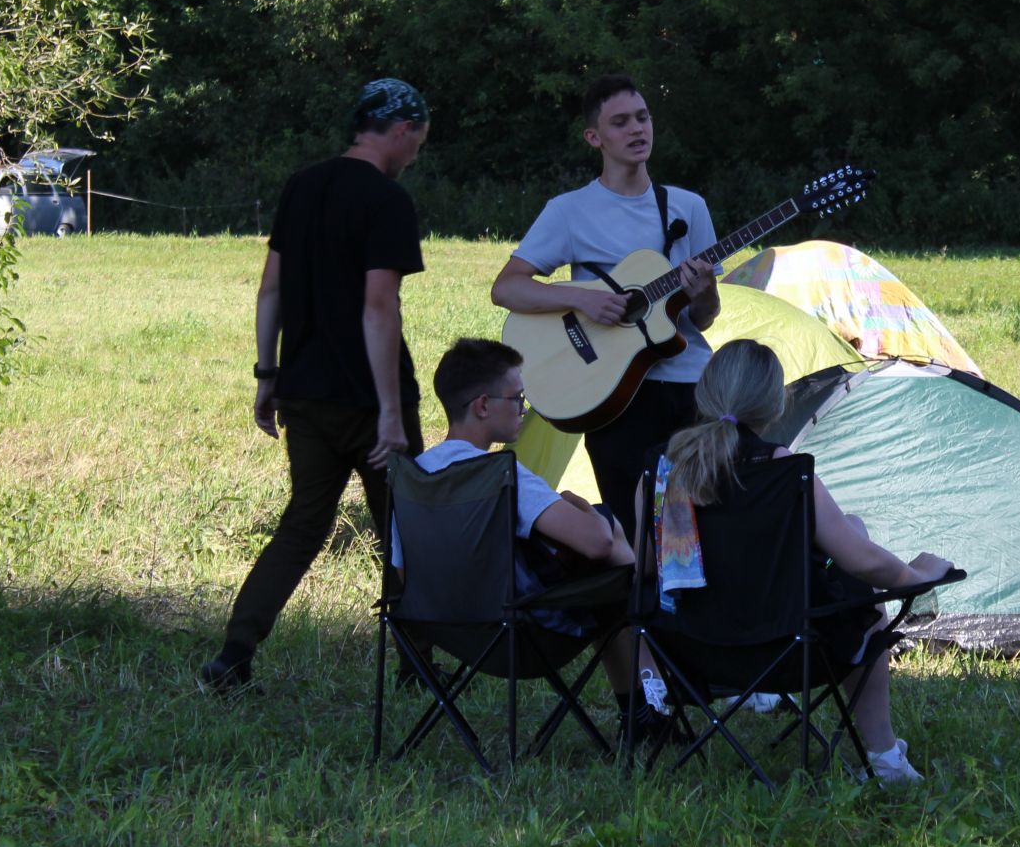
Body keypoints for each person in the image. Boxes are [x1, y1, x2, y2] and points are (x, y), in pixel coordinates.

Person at [201, 78, 431, 692]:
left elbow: (270, 289)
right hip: (368, 398)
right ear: (402, 130)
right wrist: (388, 411)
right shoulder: (387, 201)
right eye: (418, 142)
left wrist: (267, 372)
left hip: (302, 391)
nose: (415, 156)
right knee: (406, 527)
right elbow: (378, 307)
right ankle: (418, 665)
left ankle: (233, 654)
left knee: (303, 524)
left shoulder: (302, 186)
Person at [646, 340, 954, 784]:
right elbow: (862, 562)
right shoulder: (783, 470)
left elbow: (645, 569)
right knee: (861, 604)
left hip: (689, 655)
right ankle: (886, 759)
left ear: (704, 394)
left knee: (853, 529)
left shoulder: (659, 471)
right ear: (775, 402)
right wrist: (918, 575)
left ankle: (885, 758)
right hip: (788, 651)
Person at [393, 338, 671, 733]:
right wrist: (579, 504)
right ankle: (646, 711)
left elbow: (402, 575)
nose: (524, 409)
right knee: (613, 559)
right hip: (519, 638)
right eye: (517, 398)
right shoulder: (502, 475)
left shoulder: (413, 476)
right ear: (483, 406)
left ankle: (648, 707)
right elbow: (598, 542)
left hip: (450, 632)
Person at [491, 75, 719, 541]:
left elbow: (702, 319)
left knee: (708, 523)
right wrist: (583, 298)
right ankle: (643, 614)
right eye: (621, 122)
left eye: (643, 117)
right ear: (594, 137)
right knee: (637, 530)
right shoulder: (569, 211)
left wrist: (705, 294)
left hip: (691, 384)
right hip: (611, 391)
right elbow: (507, 288)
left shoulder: (688, 207)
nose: (638, 130)